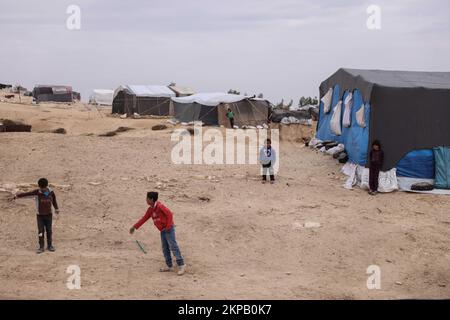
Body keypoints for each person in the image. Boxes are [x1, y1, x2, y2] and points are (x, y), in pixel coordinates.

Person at [130, 191, 186, 275]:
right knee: (165, 248)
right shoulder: (150, 209)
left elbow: (170, 214)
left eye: (147, 198)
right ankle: (169, 266)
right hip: (163, 230)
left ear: (151, 199)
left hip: (168, 229)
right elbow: (144, 218)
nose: (146, 200)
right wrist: (134, 226)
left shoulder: (160, 206)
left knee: (173, 246)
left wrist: (167, 227)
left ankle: (182, 265)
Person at [14, 178, 59, 253]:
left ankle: (50, 245)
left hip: (49, 215)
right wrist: (17, 196)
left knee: (49, 230)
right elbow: (27, 194)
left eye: (44, 188)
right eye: (41, 188)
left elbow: (54, 200)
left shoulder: (51, 192)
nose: (43, 190)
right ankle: (41, 247)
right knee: (40, 231)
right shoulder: (37, 192)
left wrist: (56, 208)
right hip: (40, 216)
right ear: (39, 187)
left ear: (47, 186)